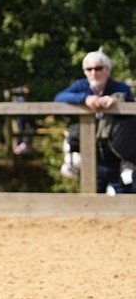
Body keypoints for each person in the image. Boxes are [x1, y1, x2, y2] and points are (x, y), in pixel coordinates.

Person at [54, 50, 134, 194]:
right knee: (93, 193)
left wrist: (117, 102)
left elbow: (131, 112)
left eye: (98, 68)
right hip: (91, 151)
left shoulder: (120, 88)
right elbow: (59, 97)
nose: (93, 73)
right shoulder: (82, 86)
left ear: (107, 70)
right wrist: (85, 99)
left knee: (125, 191)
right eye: (89, 69)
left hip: (118, 152)